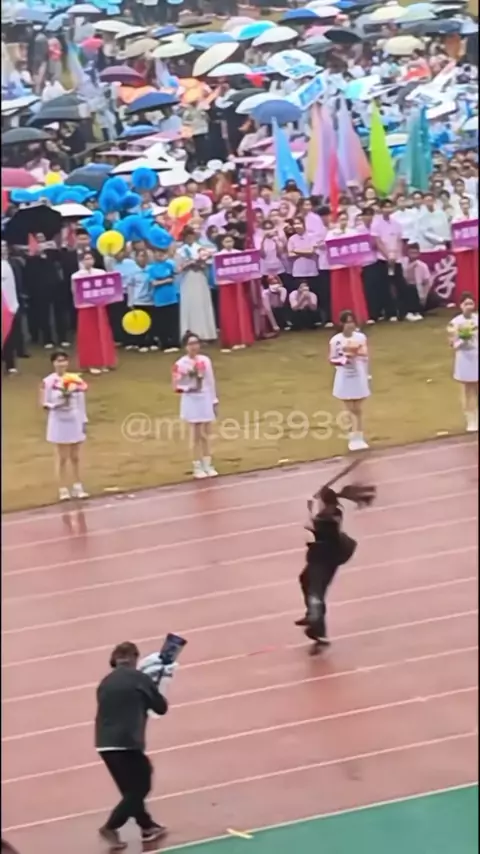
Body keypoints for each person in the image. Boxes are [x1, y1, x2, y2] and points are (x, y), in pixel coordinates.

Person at [96, 641, 170, 851]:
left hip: (104, 744)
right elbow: (160, 707)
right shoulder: (139, 678)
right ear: (134, 658)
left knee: (130, 791)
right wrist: (157, 685)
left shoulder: (105, 682)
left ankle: (147, 826)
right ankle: (111, 826)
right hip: (127, 742)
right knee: (141, 786)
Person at [296, 479, 376, 653]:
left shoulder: (327, 518)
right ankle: (312, 614)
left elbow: (312, 529)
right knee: (305, 579)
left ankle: (319, 633)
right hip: (325, 554)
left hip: (326, 558)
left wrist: (310, 508)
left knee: (316, 593)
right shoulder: (332, 510)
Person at [41, 350, 88, 502]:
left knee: (75, 457)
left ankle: (78, 486)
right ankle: (63, 488)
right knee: (62, 457)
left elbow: (81, 402)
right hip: (59, 421)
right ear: (53, 363)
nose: (61, 364)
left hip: (74, 419)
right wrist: (58, 404)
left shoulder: (75, 379)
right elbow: (44, 403)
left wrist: (83, 420)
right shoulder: (48, 381)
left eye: (64, 360)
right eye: (58, 361)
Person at [172, 332, 218, 479]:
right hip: (191, 400)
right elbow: (176, 385)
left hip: (205, 398)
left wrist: (214, 400)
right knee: (196, 435)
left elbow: (210, 381)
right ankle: (197, 466)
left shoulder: (205, 360)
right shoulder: (180, 364)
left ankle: (208, 464)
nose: (194, 347)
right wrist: (189, 388)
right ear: (185, 346)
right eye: (191, 344)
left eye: (196, 343)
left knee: (206, 434)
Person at [329, 310, 370, 452]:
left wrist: (355, 352)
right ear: (341, 324)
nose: (350, 325)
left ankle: (359, 437)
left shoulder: (360, 337)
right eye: (347, 322)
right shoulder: (335, 340)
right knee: (349, 408)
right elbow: (332, 359)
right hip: (344, 377)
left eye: (352, 322)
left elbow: (365, 355)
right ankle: (352, 438)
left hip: (358, 375)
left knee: (357, 408)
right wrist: (343, 360)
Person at [72, 250, 116, 374]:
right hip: (85, 308)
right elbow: (75, 292)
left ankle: (106, 361)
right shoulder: (76, 276)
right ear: (81, 261)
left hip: (99, 307)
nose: (89, 261)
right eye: (86, 259)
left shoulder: (100, 273)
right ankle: (91, 363)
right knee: (88, 335)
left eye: (90, 258)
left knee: (103, 333)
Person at [447, 292, 478, 433]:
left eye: (471, 303)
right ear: (461, 306)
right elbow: (452, 344)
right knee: (468, 391)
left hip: (477, 356)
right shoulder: (455, 323)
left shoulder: (477, 319)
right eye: (466, 304)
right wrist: (463, 340)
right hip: (464, 359)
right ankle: (471, 420)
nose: (469, 306)